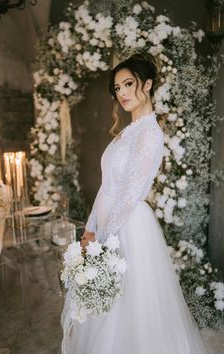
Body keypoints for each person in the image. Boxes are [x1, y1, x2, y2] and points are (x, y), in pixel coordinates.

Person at [61, 53, 208, 354]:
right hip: (106, 225)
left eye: (129, 84)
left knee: (129, 306)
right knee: (106, 303)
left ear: (148, 84)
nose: (123, 92)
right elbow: (107, 188)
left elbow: (129, 194)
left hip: (129, 228)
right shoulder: (125, 134)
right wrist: (89, 230)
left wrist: (101, 242)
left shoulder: (150, 134)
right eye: (117, 88)